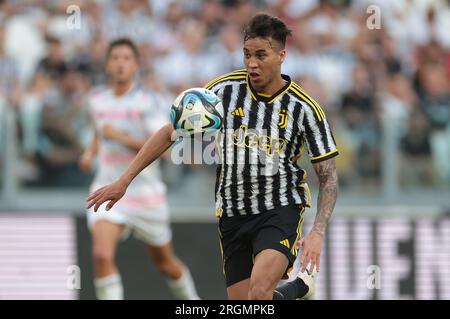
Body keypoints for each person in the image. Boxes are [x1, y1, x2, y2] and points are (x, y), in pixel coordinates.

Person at [87, 14, 339, 300]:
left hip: (280, 207)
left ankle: (296, 287)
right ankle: (300, 288)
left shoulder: (304, 108)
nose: (251, 63)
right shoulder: (222, 91)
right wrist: (124, 180)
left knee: (258, 295)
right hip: (232, 213)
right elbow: (169, 133)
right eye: (246, 54)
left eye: (261, 55)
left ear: (282, 55)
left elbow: (328, 177)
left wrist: (317, 231)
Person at [80, 38, 199, 300]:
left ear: (136, 65)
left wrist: (119, 137)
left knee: (166, 264)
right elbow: (99, 134)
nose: (120, 64)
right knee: (101, 256)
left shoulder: (149, 102)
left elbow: (162, 147)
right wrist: (89, 154)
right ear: (107, 65)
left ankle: (193, 303)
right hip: (107, 187)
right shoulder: (97, 99)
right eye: (115, 58)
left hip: (145, 194)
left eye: (126, 58)